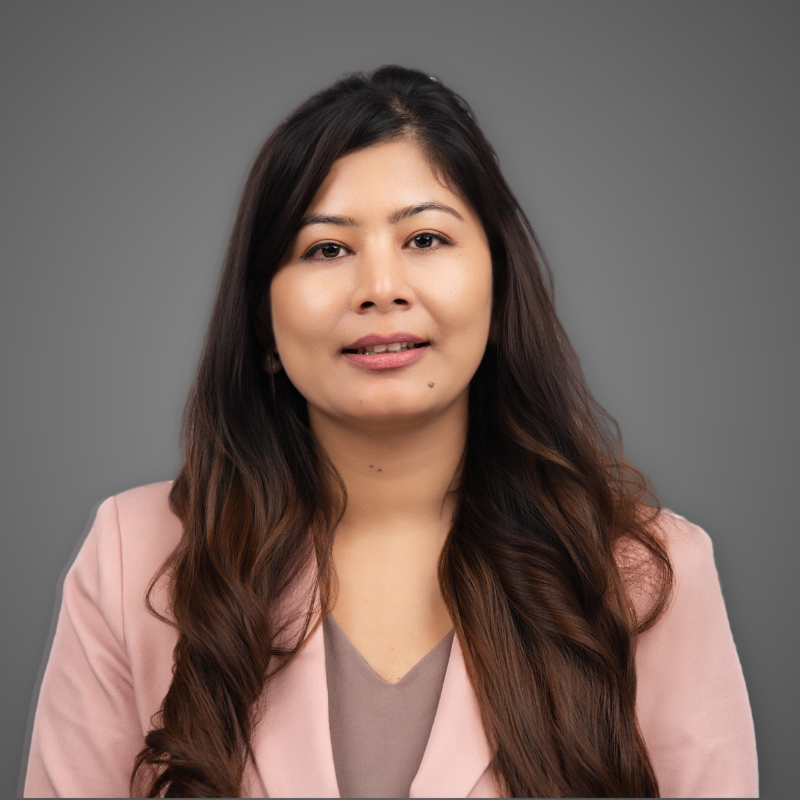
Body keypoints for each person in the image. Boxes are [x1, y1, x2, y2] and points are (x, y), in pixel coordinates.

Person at [23, 65, 758, 798]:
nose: (381, 286)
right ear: (262, 322)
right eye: (327, 249)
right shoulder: (132, 558)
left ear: (500, 291)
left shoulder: (647, 574)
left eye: (427, 239)